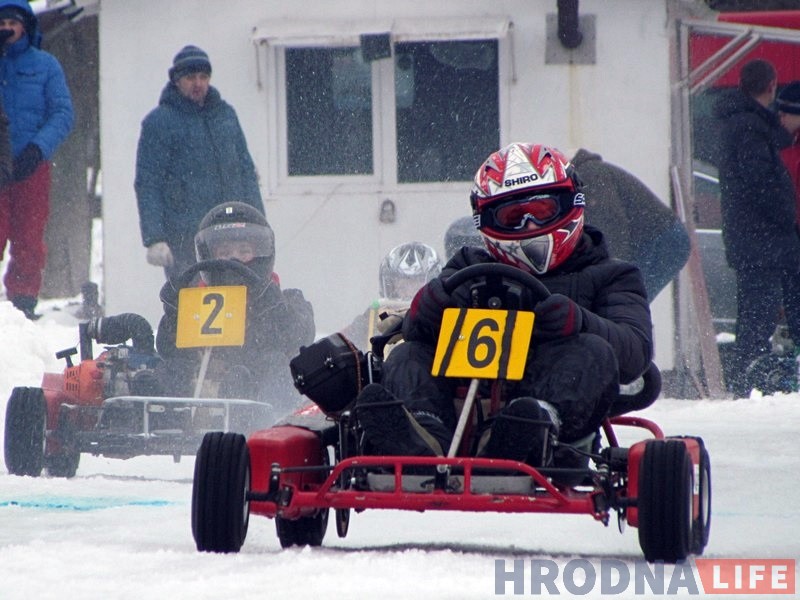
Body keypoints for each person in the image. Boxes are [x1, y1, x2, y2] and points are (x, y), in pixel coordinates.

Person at [354, 142, 653, 468]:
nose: (529, 226)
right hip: (460, 404)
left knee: (590, 352)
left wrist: (579, 321)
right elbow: (417, 333)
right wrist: (427, 308)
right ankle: (422, 436)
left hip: (549, 402)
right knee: (407, 354)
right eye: (512, 216)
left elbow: (635, 351)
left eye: (540, 212)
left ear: (571, 203)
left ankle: (526, 428)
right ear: (486, 221)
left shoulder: (611, 275)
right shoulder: (467, 267)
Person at [155, 201, 315, 414]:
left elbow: (301, 336)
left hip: (257, 395)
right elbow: (167, 349)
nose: (235, 259)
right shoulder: (195, 300)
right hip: (201, 386)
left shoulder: (286, 299)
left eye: (244, 251)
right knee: (171, 368)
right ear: (209, 256)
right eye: (225, 252)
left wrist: (272, 305)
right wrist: (174, 312)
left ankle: (273, 426)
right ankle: (164, 424)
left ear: (261, 254)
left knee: (275, 363)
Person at [135, 45, 264, 281]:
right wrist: (154, 238)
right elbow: (148, 183)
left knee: (240, 305)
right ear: (176, 81)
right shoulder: (159, 123)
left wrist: (258, 223)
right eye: (190, 77)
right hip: (184, 238)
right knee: (190, 307)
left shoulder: (225, 116)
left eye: (203, 77)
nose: (198, 83)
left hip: (231, 233)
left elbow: (246, 171)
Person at [713, 59, 800, 397]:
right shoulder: (750, 127)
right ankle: (746, 380)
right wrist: (784, 213)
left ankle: (747, 377)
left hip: (752, 238)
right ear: (772, 85)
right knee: (758, 314)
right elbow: (759, 183)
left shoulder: (741, 123)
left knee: (757, 312)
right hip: (762, 240)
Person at [0, 1, 73, 319]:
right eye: (1, 23)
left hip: (31, 166)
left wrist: (37, 149)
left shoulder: (45, 65)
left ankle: (23, 301)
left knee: (29, 236)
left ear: (26, 26)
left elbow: (62, 113)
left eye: (12, 23)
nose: (6, 29)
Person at [570, 149, 690, 301]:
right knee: (624, 302)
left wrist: (612, 272)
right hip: (657, 238)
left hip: (662, 239)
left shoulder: (589, 176)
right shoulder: (584, 179)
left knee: (623, 301)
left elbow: (611, 226)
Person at [341, 241, 442, 349]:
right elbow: (344, 341)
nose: (408, 292)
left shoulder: (439, 316)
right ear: (391, 284)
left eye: (415, 283)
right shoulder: (372, 315)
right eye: (402, 284)